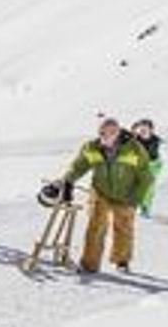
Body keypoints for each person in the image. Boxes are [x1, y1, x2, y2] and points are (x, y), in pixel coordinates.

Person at [58, 116, 151, 275]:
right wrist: (67, 181)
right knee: (95, 227)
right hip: (100, 192)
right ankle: (89, 265)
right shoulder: (92, 147)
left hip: (126, 194)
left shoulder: (134, 148)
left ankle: (122, 261)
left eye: (110, 133)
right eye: (102, 133)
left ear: (118, 132)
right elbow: (79, 166)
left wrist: (136, 198)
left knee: (123, 228)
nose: (105, 137)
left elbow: (145, 176)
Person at [129, 118, 164, 216]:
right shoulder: (137, 139)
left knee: (148, 188)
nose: (143, 132)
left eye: (145, 129)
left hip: (153, 165)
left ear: (151, 130)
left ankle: (146, 207)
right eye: (141, 130)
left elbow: (149, 150)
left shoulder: (154, 141)